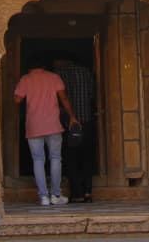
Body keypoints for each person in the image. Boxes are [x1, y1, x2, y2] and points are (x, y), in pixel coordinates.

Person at [13, 62, 80, 206]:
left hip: (34, 126)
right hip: (53, 125)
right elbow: (63, 98)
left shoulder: (26, 79)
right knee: (56, 158)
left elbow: (17, 99)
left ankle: (43, 197)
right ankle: (56, 195)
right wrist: (72, 116)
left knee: (38, 160)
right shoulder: (54, 77)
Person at [53, 55, 98, 203]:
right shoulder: (86, 72)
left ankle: (77, 193)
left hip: (68, 123)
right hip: (86, 121)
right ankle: (87, 192)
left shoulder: (60, 75)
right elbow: (92, 95)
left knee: (71, 158)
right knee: (86, 157)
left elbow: (59, 98)